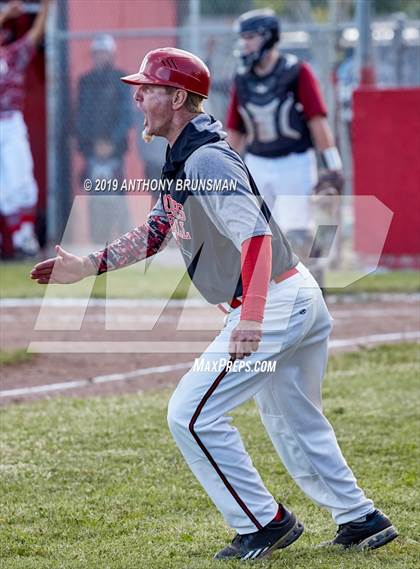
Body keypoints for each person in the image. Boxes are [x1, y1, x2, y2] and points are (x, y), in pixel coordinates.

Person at [30, 47, 397, 561]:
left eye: (148, 88)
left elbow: (256, 240)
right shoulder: (185, 152)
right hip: (290, 297)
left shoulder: (204, 157)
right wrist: (88, 266)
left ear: (177, 97)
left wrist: (250, 317)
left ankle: (264, 523)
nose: (137, 96)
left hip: (270, 302)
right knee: (293, 421)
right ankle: (360, 518)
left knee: (191, 414)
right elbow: (158, 230)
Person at [226, 9, 344, 286]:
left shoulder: (296, 71)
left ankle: (311, 286)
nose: (245, 44)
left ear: (269, 37)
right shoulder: (242, 78)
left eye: (251, 37)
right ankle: (269, 293)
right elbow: (236, 130)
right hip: (257, 161)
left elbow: (317, 120)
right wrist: (224, 169)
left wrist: (333, 165)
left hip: (294, 160)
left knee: (298, 232)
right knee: (258, 232)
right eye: (243, 38)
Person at [0, 0, 50, 259]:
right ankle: (13, 239)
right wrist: (5, 14)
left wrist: (46, 8)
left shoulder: (11, 54)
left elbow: (35, 36)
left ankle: (25, 238)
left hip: (10, 121)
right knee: (4, 188)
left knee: (22, 180)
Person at [75, 33, 133, 244]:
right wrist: (92, 144)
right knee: (94, 196)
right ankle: (97, 240)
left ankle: (123, 240)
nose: (100, 57)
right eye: (97, 53)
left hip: (114, 150)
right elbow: (80, 116)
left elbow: (127, 115)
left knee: (116, 195)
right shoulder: (85, 81)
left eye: (104, 53)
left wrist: (111, 142)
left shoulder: (121, 79)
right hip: (92, 150)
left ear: (111, 54)